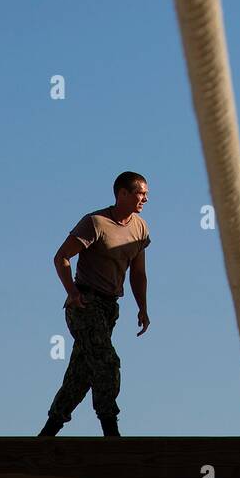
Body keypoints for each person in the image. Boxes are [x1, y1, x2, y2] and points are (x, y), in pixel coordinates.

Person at [37, 172, 151, 437]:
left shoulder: (140, 228)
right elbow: (61, 257)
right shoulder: (96, 222)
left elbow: (138, 273)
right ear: (122, 194)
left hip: (110, 307)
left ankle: (47, 433)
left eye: (145, 193)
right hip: (86, 304)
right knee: (107, 361)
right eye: (140, 193)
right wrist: (72, 292)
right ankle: (110, 429)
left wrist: (142, 308)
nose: (145, 198)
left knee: (81, 374)